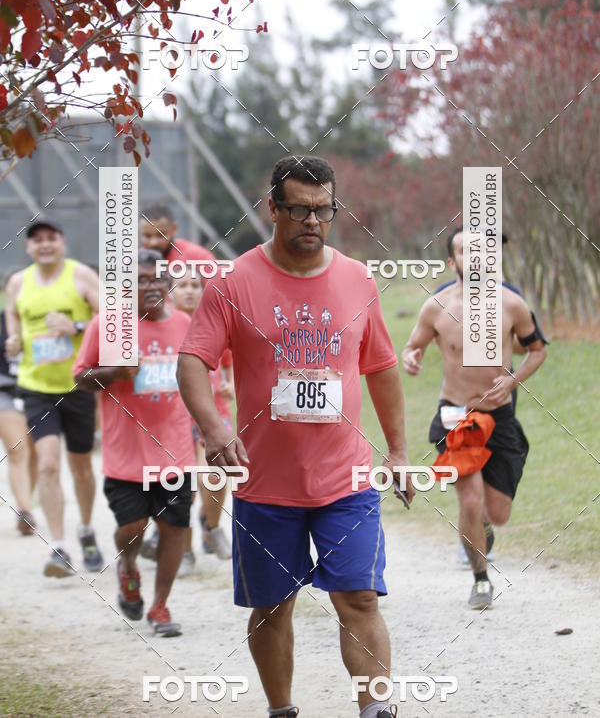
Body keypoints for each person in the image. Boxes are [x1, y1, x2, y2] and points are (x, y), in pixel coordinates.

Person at [177, 156, 414, 718]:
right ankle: (281, 709)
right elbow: (192, 360)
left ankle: (374, 709)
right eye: (300, 209)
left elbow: (380, 367)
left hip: (346, 479)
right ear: (273, 209)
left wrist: (400, 451)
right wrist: (213, 428)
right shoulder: (234, 282)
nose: (313, 220)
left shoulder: (358, 278)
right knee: (272, 606)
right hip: (265, 486)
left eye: (323, 210)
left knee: (358, 597)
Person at [402, 226, 547, 609]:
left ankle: (480, 529)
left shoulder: (511, 303)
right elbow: (412, 346)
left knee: (496, 513)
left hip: (499, 416)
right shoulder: (436, 306)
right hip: (454, 415)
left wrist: (512, 381)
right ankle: (480, 579)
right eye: (465, 251)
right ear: (453, 262)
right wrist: (411, 358)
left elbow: (537, 350)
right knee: (470, 499)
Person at [73, 249, 195, 637]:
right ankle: (127, 566)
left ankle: (160, 606)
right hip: (125, 453)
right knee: (133, 527)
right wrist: (115, 371)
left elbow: (195, 378)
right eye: (140, 280)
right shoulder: (108, 325)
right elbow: (80, 376)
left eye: (157, 279)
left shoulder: (184, 324)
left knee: (175, 529)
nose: (151, 286)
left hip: (175, 450)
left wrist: (210, 426)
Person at [4, 218, 103, 576]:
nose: (45, 244)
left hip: (77, 385)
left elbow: (111, 319)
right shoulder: (18, 282)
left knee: (80, 467)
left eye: (51, 238)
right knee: (46, 462)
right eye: (37, 240)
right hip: (36, 387)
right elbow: (13, 318)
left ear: (62, 242)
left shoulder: (81, 277)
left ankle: (87, 530)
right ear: (28, 247)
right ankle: (59, 547)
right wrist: (13, 340)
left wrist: (76, 327)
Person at [141, 267, 235, 571]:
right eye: (182, 286)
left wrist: (230, 384)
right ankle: (183, 547)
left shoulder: (217, 321)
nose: (190, 291)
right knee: (182, 481)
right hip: (175, 413)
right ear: (169, 292)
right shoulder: (163, 327)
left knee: (218, 470)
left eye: (196, 284)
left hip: (215, 409)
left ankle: (212, 525)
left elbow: (229, 362)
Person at [0, 276, 36, 535]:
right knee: (17, 449)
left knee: (35, 453)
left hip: (37, 390)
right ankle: (25, 510)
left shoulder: (43, 319)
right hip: (5, 390)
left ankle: (27, 505)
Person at [139, 202, 214, 267]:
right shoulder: (132, 265)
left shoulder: (199, 258)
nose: (154, 242)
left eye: (161, 235)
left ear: (174, 228)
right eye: (147, 236)